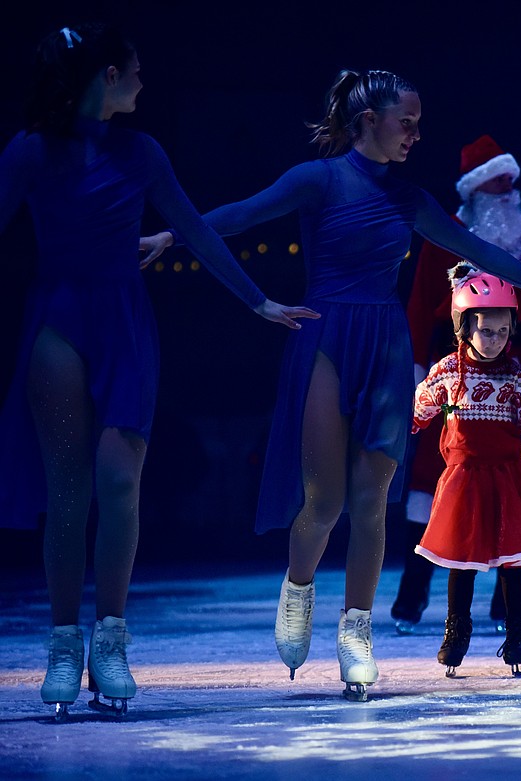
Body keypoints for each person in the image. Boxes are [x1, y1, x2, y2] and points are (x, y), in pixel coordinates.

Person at [140, 70, 521, 699]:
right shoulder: (318, 179)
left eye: (418, 122)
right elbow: (244, 214)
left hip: (384, 342)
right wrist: (174, 232)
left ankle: (357, 630)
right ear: (368, 121)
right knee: (324, 498)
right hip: (326, 335)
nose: (416, 133)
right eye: (405, 121)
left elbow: (476, 249)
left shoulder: (409, 199)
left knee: (371, 497)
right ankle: (298, 589)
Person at [0, 24, 314, 720]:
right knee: (69, 489)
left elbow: (197, 231)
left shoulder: (141, 151)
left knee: (119, 482)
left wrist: (257, 299)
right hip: (56, 317)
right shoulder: (29, 151)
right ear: (106, 76)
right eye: (135, 72)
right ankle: (60, 641)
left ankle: (109, 638)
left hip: (125, 324)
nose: (143, 84)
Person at [392, 134, 521, 635]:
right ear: (475, 188)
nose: (507, 187)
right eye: (495, 179)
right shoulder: (446, 235)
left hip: (515, 374)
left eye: (510, 179)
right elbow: (423, 303)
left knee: (513, 486)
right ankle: (413, 595)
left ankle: (504, 606)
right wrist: (419, 373)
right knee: (433, 485)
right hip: (456, 376)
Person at [412, 266, 521, 677]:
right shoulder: (447, 371)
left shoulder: (515, 376)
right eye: (485, 330)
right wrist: (405, 417)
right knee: (463, 561)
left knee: (512, 561)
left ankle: (519, 633)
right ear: (464, 329)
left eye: (502, 331)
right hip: (464, 479)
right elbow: (419, 410)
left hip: (508, 479)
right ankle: (456, 631)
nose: (494, 340)